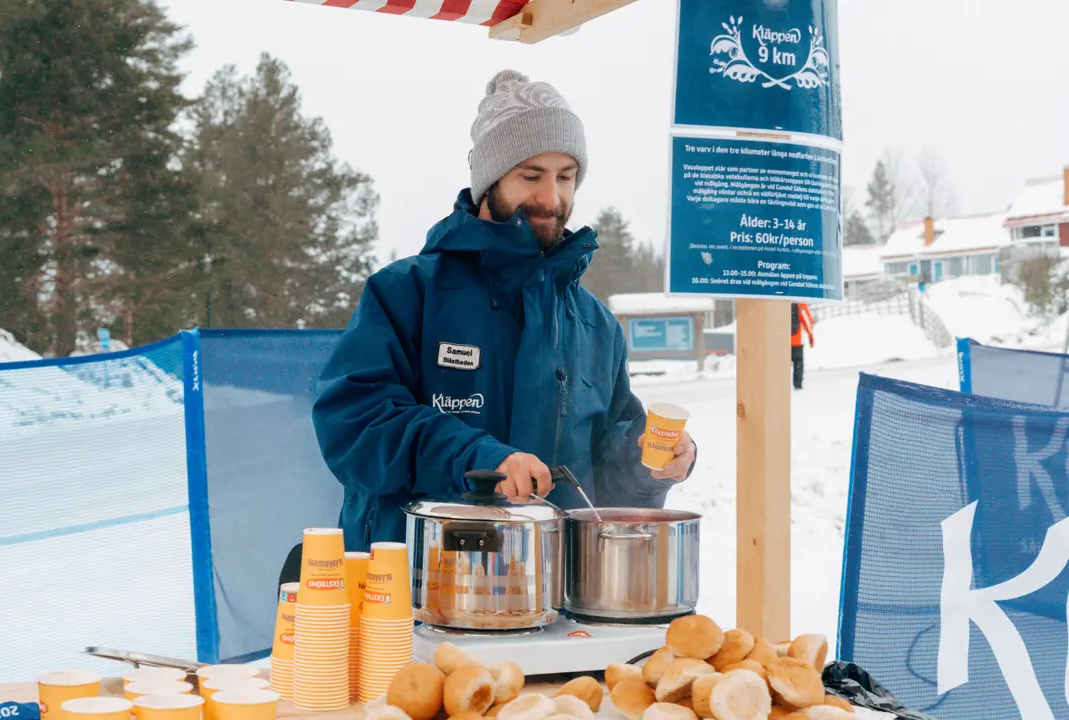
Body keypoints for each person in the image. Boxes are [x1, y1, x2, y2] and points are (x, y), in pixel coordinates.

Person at [309, 69, 697, 553]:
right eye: (531, 176)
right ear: (489, 179)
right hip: (417, 591)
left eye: (566, 176)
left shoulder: (595, 324)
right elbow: (356, 424)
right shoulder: (407, 293)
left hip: (552, 595)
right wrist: (478, 459)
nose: (552, 198)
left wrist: (650, 463)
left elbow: (606, 479)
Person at [790, 302, 814, 390]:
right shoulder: (800, 302)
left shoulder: (781, 300)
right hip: (796, 341)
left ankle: (781, 384)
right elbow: (807, 321)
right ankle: (797, 384)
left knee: (781, 365)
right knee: (798, 363)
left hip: (782, 341)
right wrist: (810, 336)